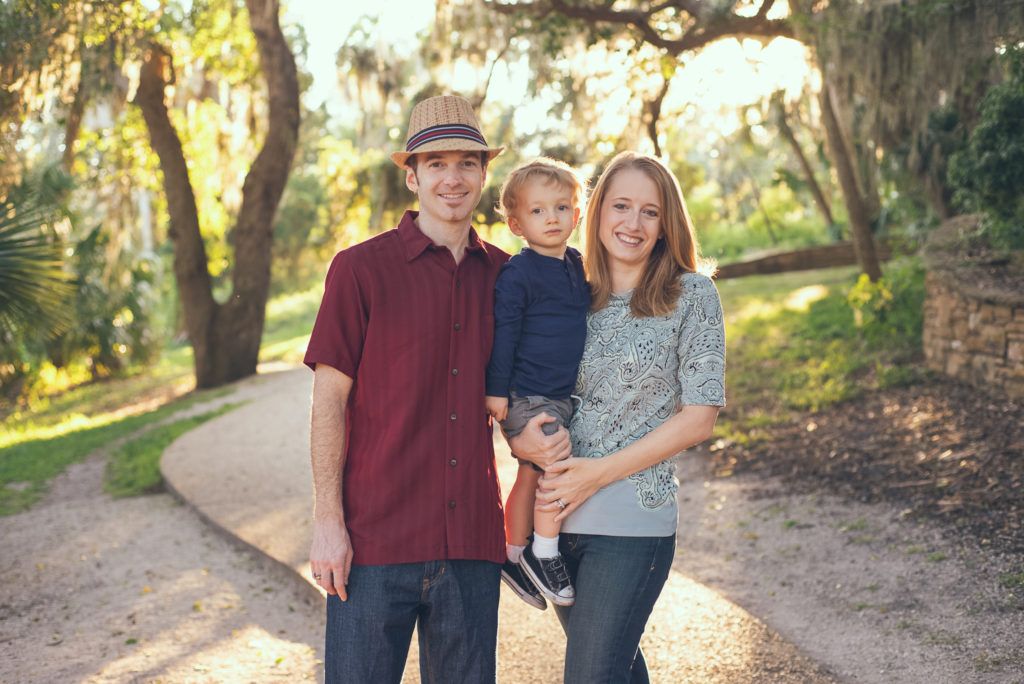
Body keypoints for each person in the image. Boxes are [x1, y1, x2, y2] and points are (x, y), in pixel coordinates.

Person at [303, 95, 509, 684]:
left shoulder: (505, 277)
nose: (453, 177)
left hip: (470, 540)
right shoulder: (359, 271)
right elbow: (329, 403)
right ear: (412, 176)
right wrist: (327, 521)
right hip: (374, 542)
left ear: (483, 174)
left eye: (467, 162)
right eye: (436, 163)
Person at [508, 151, 726, 683]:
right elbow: (528, 385)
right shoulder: (567, 290)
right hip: (555, 525)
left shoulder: (691, 294)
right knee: (616, 674)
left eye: (649, 212)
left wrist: (597, 474)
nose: (632, 223)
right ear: (597, 210)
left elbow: (700, 418)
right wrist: (519, 436)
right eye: (621, 205)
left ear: (665, 223)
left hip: (632, 522)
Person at [484, 158, 590, 609]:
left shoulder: (576, 263)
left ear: (577, 215)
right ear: (515, 224)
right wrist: (495, 392)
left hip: (561, 393)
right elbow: (504, 332)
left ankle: (511, 553)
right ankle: (545, 556)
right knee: (555, 466)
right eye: (538, 211)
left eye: (562, 207)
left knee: (530, 472)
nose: (552, 218)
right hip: (527, 395)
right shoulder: (518, 272)